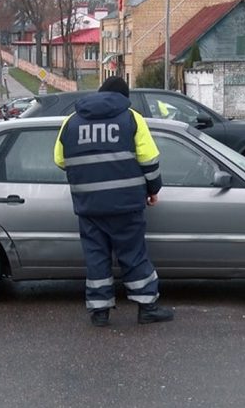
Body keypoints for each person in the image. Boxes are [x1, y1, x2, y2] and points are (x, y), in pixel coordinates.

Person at [54, 76, 174, 327]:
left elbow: (60, 160)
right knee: (133, 254)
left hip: (89, 206)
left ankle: (100, 312)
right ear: (123, 97)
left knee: (96, 256)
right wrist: (153, 189)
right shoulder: (131, 118)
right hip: (126, 205)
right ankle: (147, 307)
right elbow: (149, 161)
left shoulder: (71, 122)